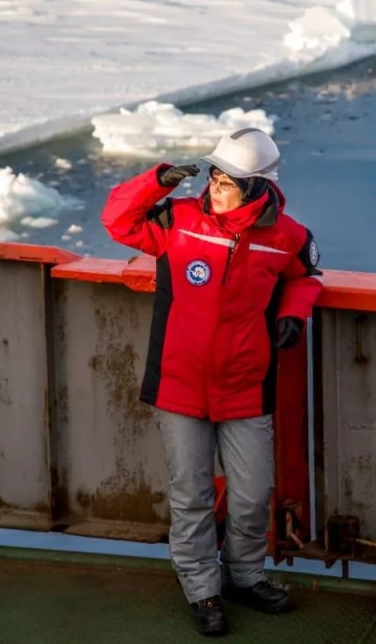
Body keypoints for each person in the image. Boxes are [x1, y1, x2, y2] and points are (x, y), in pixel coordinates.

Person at [101, 128, 322, 636]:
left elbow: (306, 276)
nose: (216, 187)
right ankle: (202, 590)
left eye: (228, 181)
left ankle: (245, 576)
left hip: (246, 387)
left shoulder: (288, 237)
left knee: (251, 493)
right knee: (192, 495)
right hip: (179, 385)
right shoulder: (177, 221)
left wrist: (294, 311)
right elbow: (117, 220)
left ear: (257, 187)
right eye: (214, 177)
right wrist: (158, 181)